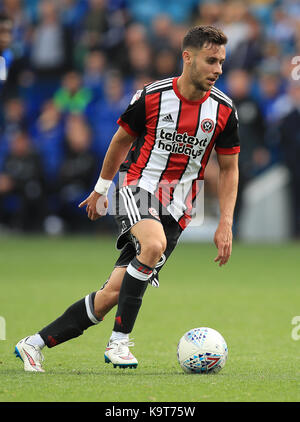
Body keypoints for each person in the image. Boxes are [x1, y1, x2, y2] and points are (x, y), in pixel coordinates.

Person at [15, 25, 240, 372]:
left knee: (110, 297)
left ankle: (34, 344)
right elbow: (120, 141)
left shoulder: (224, 110)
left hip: (179, 208)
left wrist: (225, 222)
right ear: (188, 57)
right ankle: (119, 343)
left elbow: (229, 168)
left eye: (222, 62)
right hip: (138, 185)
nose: (218, 70)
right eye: (211, 61)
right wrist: (101, 189)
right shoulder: (152, 96)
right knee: (153, 245)